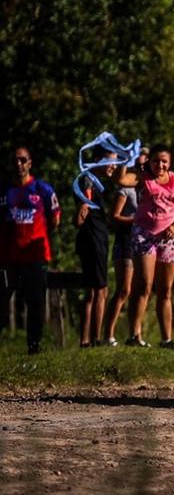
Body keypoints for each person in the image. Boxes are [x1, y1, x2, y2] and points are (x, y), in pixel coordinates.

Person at [125, 144, 174, 349]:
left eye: (164, 161)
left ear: (169, 163)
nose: (160, 165)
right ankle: (135, 335)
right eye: (155, 161)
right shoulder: (142, 177)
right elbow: (120, 179)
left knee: (166, 289)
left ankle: (167, 339)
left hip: (169, 237)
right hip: (145, 235)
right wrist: (124, 161)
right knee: (144, 285)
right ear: (149, 161)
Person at [0, 145, 61, 354]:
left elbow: (55, 219)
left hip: (34, 256)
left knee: (35, 305)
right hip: (8, 257)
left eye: (23, 160)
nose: (19, 164)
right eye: (15, 160)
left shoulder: (43, 190)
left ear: (30, 163)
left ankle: (34, 348)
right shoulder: (4, 192)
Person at [99, 146, 148, 346]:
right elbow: (114, 216)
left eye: (146, 164)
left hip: (143, 244)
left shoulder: (149, 189)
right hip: (125, 242)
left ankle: (136, 334)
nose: (143, 168)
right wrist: (136, 219)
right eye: (140, 164)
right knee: (124, 289)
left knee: (141, 289)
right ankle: (108, 335)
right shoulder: (126, 188)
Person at [74, 152, 117, 348]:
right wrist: (83, 209)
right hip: (93, 238)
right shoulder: (90, 177)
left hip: (93, 238)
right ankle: (95, 339)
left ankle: (86, 340)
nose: (113, 166)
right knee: (100, 290)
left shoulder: (91, 178)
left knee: (92, 290)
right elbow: (86, 198)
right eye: (111, 161)